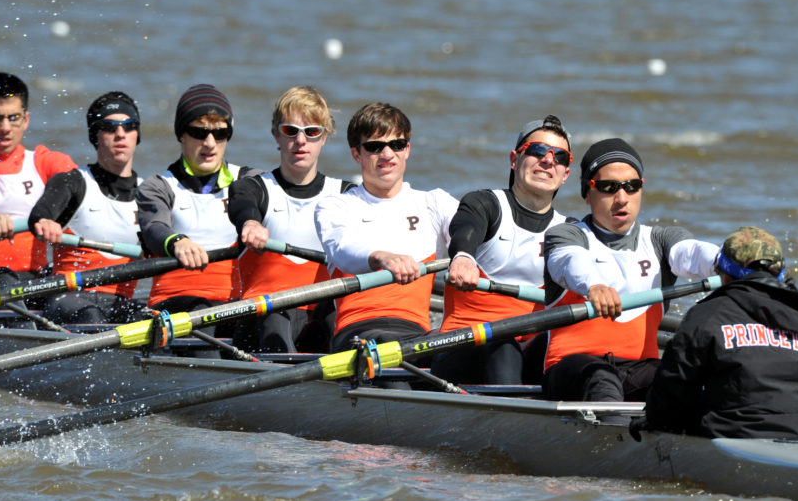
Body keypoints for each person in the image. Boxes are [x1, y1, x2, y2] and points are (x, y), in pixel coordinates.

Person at [632, 226, 798, 440]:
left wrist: (658, 429)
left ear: (723, 273)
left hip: (735, 442)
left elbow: (668, 402)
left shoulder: (706, 317)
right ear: (781, 272)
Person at [541, 137, 719, 417]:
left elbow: (692, 254)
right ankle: (614, 449)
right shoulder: (566, 235)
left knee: (686, 381)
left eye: (631, 186)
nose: (622, 198)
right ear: (587, 194)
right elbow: (569, 261)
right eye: (608, 188)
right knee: (602, 378)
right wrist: (594, 286)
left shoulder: (661, 239)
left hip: (639, 369)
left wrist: (726, 262)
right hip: (571, 369)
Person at [431, 114, 575, 385]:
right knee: (503, 344)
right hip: (463, 345)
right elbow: (465, 230)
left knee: (576, 347)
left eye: (560, 157)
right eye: (537, 150)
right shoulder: (484, 204)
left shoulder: (571, 231)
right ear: (514, 159)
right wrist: (463, 257)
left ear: (565, 174)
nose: (548, 160)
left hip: (526, 351)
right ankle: (517, 421)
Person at [314, 102, 457, 364]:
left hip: (415, 331)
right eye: (375, 146)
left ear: (407, 150)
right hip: (357, 332)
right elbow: (342, 250)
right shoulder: (336, 206)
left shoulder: (434, 203)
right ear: (357, 154)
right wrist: (382, 258)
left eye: (397, 145)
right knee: (391, 349)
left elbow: (476, 233)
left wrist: (467, 257)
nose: (388, 153)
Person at [228, 86, 352, 353]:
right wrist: (250, 223)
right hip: (262, 318)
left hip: (320, 316)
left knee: (340, 322)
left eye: (312, 132)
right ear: (276, 134)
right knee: (275, 319)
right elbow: (242, 205)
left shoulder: (347, 195)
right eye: (290, 131)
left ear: (325, 138)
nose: (301, 140)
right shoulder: (254, 188)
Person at [136, 84, 260, 352]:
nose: (210, 143)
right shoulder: (158, 186)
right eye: (199, 132)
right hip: (176, 304)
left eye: (220, 133)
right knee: (203, 312)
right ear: (181, 135)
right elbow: (154, 227)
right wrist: (177, 241)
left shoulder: (251, 181)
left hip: (237, 304)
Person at [28, 91, 145, 324]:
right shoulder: (72, 182)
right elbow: (40, 214)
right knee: (92, 317)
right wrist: (45, 222)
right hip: (70, 298)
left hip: (120, 302)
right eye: (109, 127)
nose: (120, 134)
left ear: (137, 134)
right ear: (95, 135)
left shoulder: (151, 193)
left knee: (155, 321)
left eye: (128, 126)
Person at [0, 72, 78, 287]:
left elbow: (72, 181)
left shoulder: (43, 161)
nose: (5, 128)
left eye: (14, 118)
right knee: (3, 277)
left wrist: (46, 214)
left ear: (26, 120)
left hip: (33, 279)